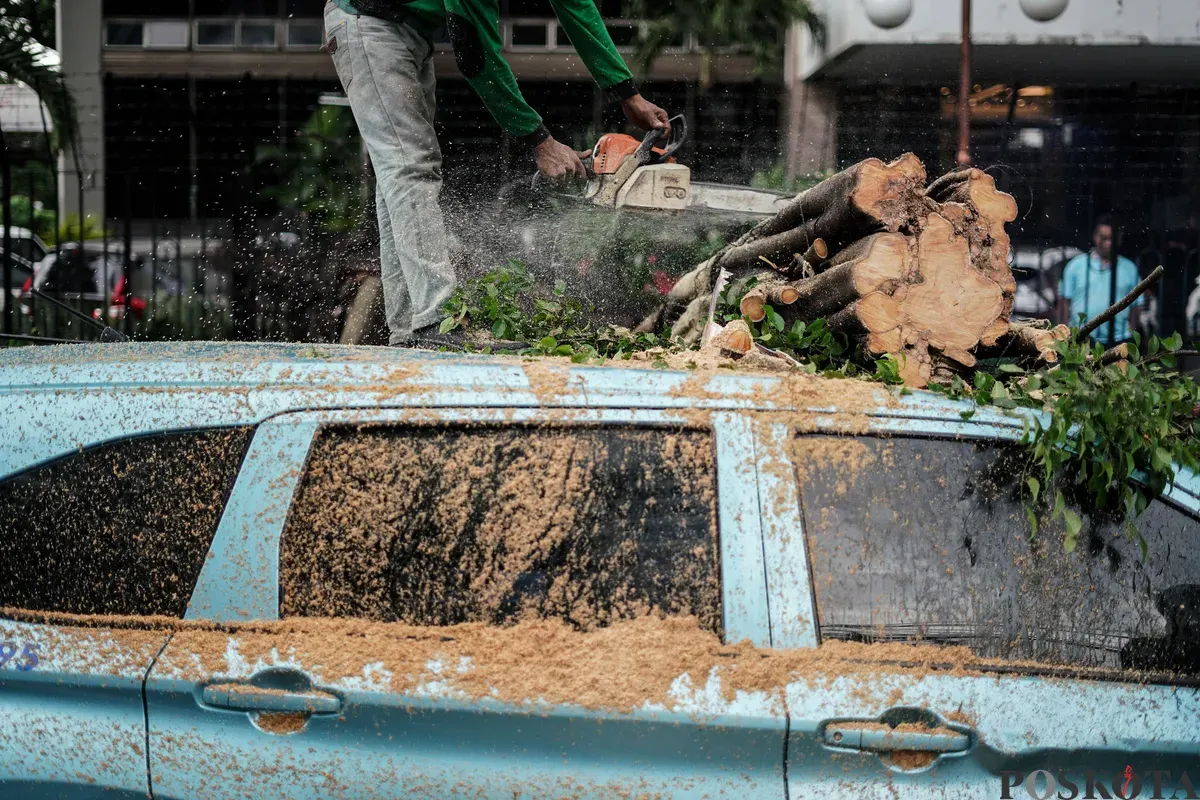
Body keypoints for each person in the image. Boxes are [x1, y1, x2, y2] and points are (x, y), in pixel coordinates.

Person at [323, 0, 670, 348]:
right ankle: (437, 322)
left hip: (410, 31)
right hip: (370, 22)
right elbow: (476, 56)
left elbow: (576, 7)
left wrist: (627, 94)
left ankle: (410, 330)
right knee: (409, 169)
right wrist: (541, 141)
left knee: (397, 178)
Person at [1056, 214, 1143, 345]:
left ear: (1119, 238)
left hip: (1120, 339)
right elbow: (1063, 303)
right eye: (1104, 238)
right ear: (1095, 237)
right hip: (1081, 337)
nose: (1108, 243)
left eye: (1112, 238)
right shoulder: (1076, 265)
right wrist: (1061, 338)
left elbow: (1136, 308)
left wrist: (1131, 337)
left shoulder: (1129, 268)